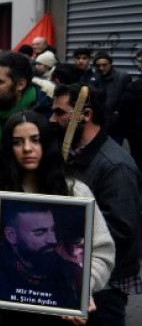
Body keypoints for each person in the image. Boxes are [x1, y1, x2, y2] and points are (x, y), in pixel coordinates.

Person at [0, 111, 114, 325]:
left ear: (47, 144)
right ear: (7, 148)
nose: (27, 148)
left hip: (60, 317)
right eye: (17, 142)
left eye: (35, 140)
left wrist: (80, 291)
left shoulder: (76, 192)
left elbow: (102, 253)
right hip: (6, 315)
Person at [50, 84, 141, 326]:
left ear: (85, 115)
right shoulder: (71, 154)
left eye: (59, 113)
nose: (52, 119)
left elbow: (121, 230)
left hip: (105, 286)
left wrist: (61, 231)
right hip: (74, 272)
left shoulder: (115, 166)